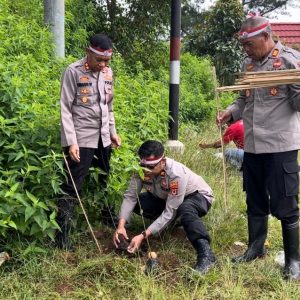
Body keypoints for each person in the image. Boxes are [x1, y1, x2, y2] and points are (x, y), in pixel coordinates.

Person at [217, 16, 300, 281]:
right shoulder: (248, 64)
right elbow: (243, 98)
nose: (246, 50)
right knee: (254, 199)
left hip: (279, 145)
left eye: (250, 44)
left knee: (285, 202)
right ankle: (255, 248)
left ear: (266, 37)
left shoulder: (290, 61)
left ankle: (294, 261)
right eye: (243, 46)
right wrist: (229, 113)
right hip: (252, 145)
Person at [56, 33, 121, 250]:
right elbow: (65, 108)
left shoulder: (108, 73)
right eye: (98, 60)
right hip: (81, 137)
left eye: (106, 61)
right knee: (73, 185)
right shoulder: (73, 72)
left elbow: (108, 106)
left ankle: (105, 217)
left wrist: (113, 131)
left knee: (104, 177)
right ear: (88, 52)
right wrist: (71, 141)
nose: (102, 65)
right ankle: (62, 235)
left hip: (103, 137)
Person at [113, 140, 216, 275]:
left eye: (151, 167)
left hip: (197, 197)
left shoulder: (176, 174)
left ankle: (206, 254)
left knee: (185, 209)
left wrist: (143, 235)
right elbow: (130, 197)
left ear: (162, 162)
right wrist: (121, 226)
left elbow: (171, 210)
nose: (146, 171)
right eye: (143, 166)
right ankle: (168, 225)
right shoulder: (140, 169)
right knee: (139, 202)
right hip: (167, 199)